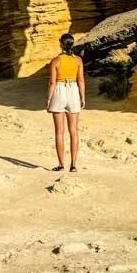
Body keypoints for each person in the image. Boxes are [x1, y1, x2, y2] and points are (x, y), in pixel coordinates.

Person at [47, 33, 86, 171]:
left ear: (61, 44)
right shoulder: (78, 60)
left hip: (59, 90)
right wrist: (82, 97)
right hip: (73, 90)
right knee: (74, 131)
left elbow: (52, 82)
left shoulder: (56, 61)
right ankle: (73, 165)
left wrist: (49, 99)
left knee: (59, 132)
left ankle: (61, 164)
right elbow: (81, 80)